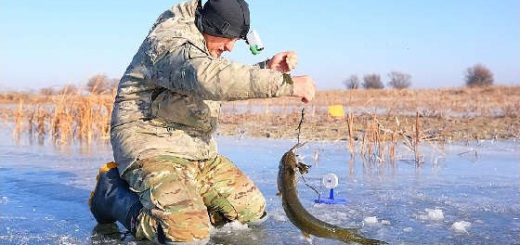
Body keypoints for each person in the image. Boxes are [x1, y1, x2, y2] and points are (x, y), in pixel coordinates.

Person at [89, 0, 316, 244]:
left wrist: (267, 69)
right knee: (186, 235)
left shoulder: (203, 46)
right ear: (210, 25)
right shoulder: (169, 42)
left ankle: (184, 203)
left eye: (237, 40)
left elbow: (214, 80)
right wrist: (284, 84)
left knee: (251, 212)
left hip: (196, 150)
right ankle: (112, 194)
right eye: (228, 38)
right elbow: (205, 78)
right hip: (151, 146)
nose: (230, 47)